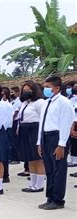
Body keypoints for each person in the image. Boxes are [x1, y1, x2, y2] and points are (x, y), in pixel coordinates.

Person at [37, 76, 74, 210]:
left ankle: (58, 200)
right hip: (46, 137)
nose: (45, 89)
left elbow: (66, 124)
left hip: (57, 137)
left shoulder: (64, 103)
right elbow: (42, 123)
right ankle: (50, 197)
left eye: (48, 87)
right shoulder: (47, 102)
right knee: (50, 170)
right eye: (44, 87)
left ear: (57, 88)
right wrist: (39, 142)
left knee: (58, 169)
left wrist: (61, 144)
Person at [16, 81, 46, 193]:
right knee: (30, 158)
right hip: (24, 130)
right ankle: (32, 183)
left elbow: (42, 119)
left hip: (34, 130)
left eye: (28, 90)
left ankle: (39, 184)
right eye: (24, 90)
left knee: (38, 158)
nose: (25, 92)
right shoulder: (25, 103)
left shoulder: (39, 102)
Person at [1, 87, 14, 183]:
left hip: (5, 131)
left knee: (4, 152)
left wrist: (0, 130)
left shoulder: (8, 106)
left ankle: (5, 175)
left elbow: (7, 120)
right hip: (0, 130)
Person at [10, 86, 22, 164]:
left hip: (15, 121)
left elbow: (16, 112)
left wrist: (12, 119)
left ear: (17, 93)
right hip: (12, 121)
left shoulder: (19, 101)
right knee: (12, 140)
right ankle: (13, 156)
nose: (12, 94)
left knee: (15, 141)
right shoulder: (14, 101)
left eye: (14, 92)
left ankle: (16, 158)